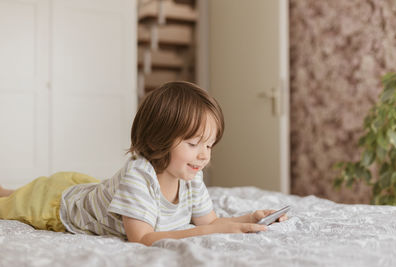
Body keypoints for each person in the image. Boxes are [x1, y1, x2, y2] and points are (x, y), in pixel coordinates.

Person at [0, 81, 287, 246]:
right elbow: (142, 238)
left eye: (209, 145)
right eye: (193, 143)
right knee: (14, 201)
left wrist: (249, 219)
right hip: (57, 205)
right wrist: (214, 231)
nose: (204, 155)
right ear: (158, 138)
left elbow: (209, 221)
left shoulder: (190, 175)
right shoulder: (138, 177)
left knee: (27, 189)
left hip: (89, 188)